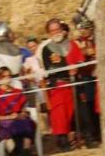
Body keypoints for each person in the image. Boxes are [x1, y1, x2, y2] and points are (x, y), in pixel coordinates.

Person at [41, 18, 84, 151]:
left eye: (57, 29)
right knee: (60, 115)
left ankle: (79, 139)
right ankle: (62, 142)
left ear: (62, 30)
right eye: (52, 30)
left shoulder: (71, 44)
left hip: (73, 84)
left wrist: (76, 67)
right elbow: (50, 68)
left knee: (73, 114)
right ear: (49, 33)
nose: (56, 32)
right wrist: (67, 68)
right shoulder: (46, 49)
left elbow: (80, 60)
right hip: (58, 85)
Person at [0, 67, 35, 155]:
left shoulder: (17, 92)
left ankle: (25, 151)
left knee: (27, 122)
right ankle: (19, 152)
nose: (7, 78)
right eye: (4, 76)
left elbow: (23, 110)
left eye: (9, 76)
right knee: (12, 126)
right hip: (4, 121)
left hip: (19, 118)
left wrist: (21, 114)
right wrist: (10, 117)